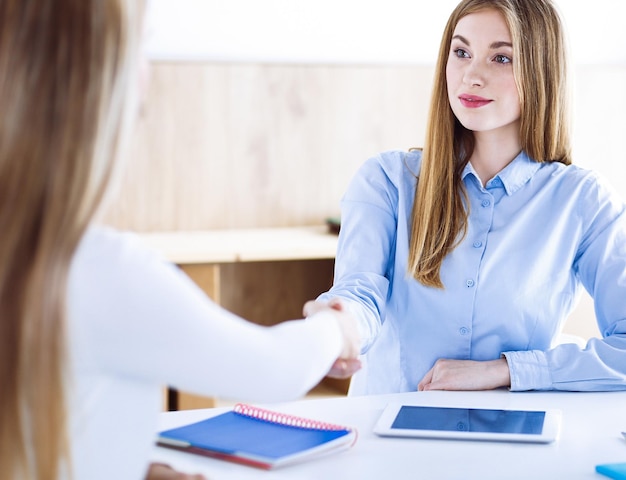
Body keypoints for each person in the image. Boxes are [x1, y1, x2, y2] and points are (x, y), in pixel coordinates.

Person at [0, 1, 360, 480]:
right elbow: (272, 368)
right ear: (99, 87)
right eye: (142, 47)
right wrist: (337, 327)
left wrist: (135, 465)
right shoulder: (102, 269)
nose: (148, 74)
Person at [306, 0, 626, 396]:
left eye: (501, 58)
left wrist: (506, 370)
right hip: (387, 437)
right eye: (462, 52)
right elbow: (360, 292)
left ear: (542, 71)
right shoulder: (387, 181)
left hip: (515, 441)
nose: (471, 76)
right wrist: (340, 324)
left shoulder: (583, 201)